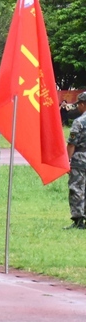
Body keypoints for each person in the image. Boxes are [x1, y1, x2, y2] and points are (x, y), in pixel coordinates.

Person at [64, 91, 86, 229]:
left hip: (80, 159)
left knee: (77, 188)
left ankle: (78, 220)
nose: (78, 106)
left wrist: (67, 161)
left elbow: (72, 144)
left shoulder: (79, 122)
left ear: (83, 104)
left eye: (79, 104)